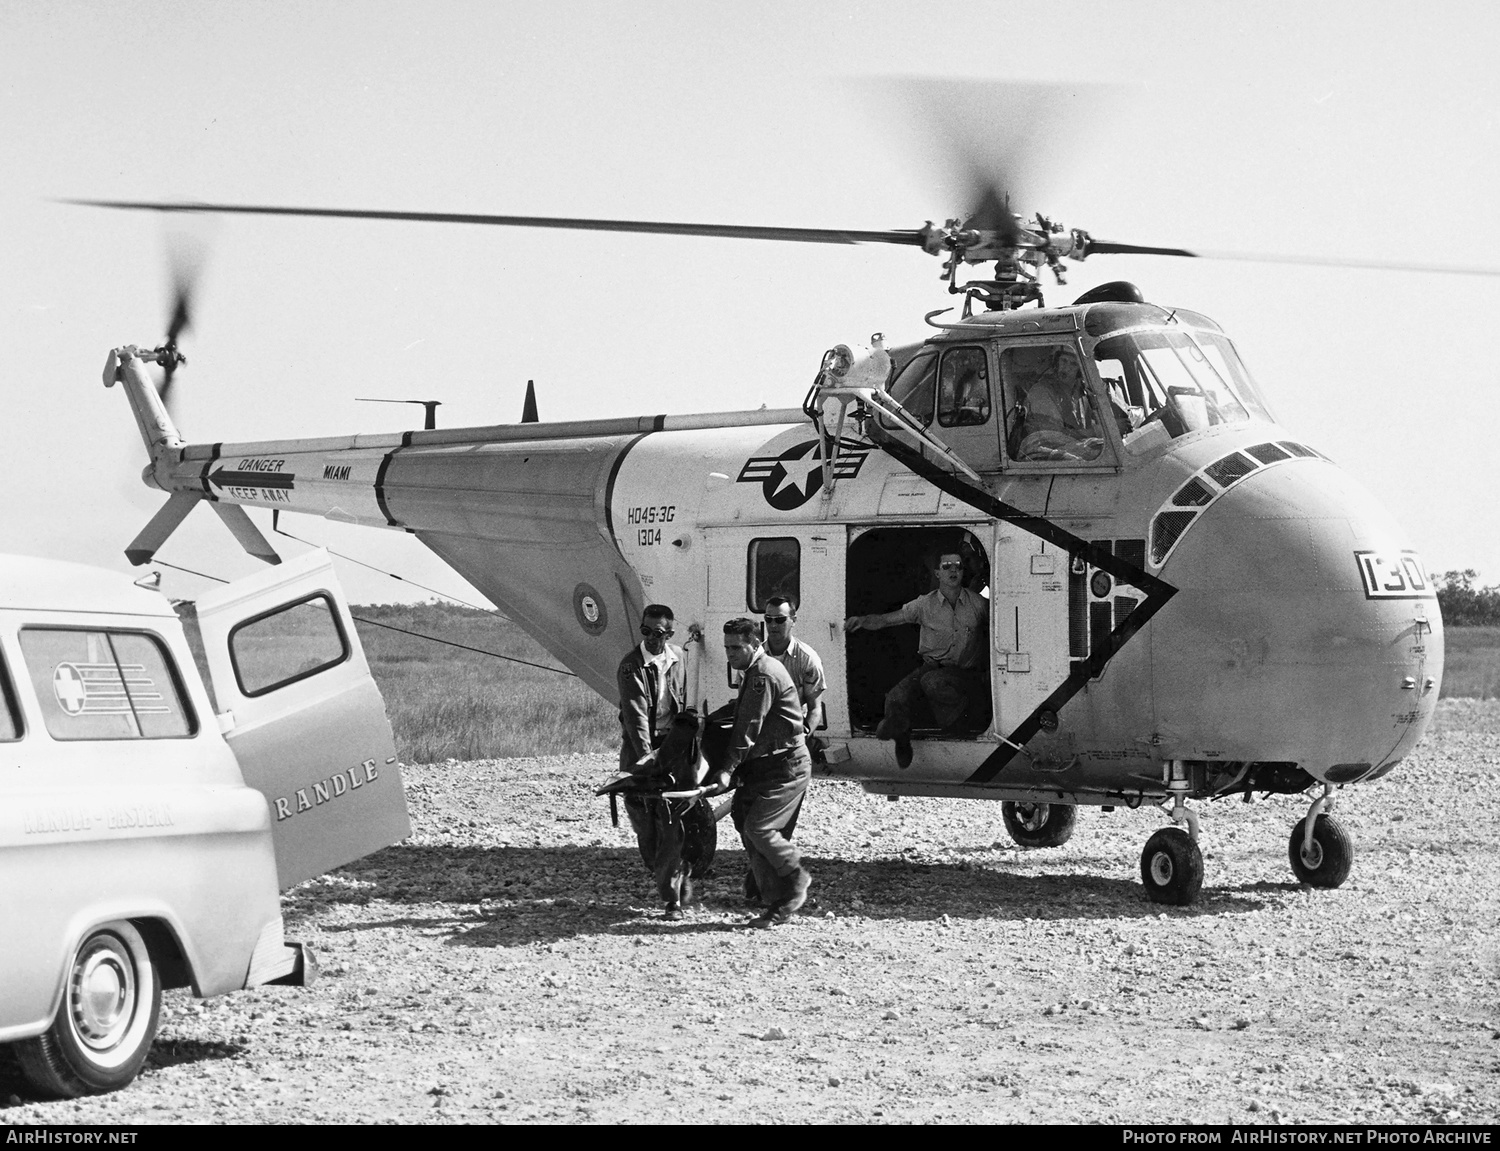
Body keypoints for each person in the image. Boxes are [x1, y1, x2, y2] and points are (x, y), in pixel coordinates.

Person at [704, 617, 813, 929]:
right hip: (768, 765)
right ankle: (770, 892)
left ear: (754, 644)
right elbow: (742, 711)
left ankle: (794, 883)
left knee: (759, 828)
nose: (730, 654)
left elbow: (748, 728)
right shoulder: (754, 671)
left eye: (736, 647)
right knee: (744, 818)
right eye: (726, 648)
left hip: (786, 766)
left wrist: (726, 770)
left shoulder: (761, 675)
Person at [843, 552, 988, 769]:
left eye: (958, 566)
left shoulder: (978, 604)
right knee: (895, 697)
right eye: (946, 566)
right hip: (931, 665)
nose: (953, 570)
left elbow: (999, 629)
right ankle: (902, 738)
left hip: (964, 671)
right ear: (937, 573)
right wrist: (862, 621)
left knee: (932, 682)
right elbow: (886, 620)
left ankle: (959, 722)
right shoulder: (923, 605)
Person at [615, 604, 686, 868]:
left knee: (671, 808)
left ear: (669, 634)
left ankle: (673, 865)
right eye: (646, 631)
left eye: (657, 633)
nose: (650, 639)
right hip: (640, 745)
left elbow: (683, 699)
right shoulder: (631, 666)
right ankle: (656, 868)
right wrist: (647, 759)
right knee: (642, 809)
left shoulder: (677, 658)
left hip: (668, 742)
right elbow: (636, 718)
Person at [1013, 351, 1104, 462]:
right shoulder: (1041, 391)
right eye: (1064, 361)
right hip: (1039, 452)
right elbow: (1053, 435)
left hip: (1064, 448)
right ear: (1057, 363)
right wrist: (1094, 432)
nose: (1066, 368)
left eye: (1073, 364)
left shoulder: (1081, 394)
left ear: (1080, 370)